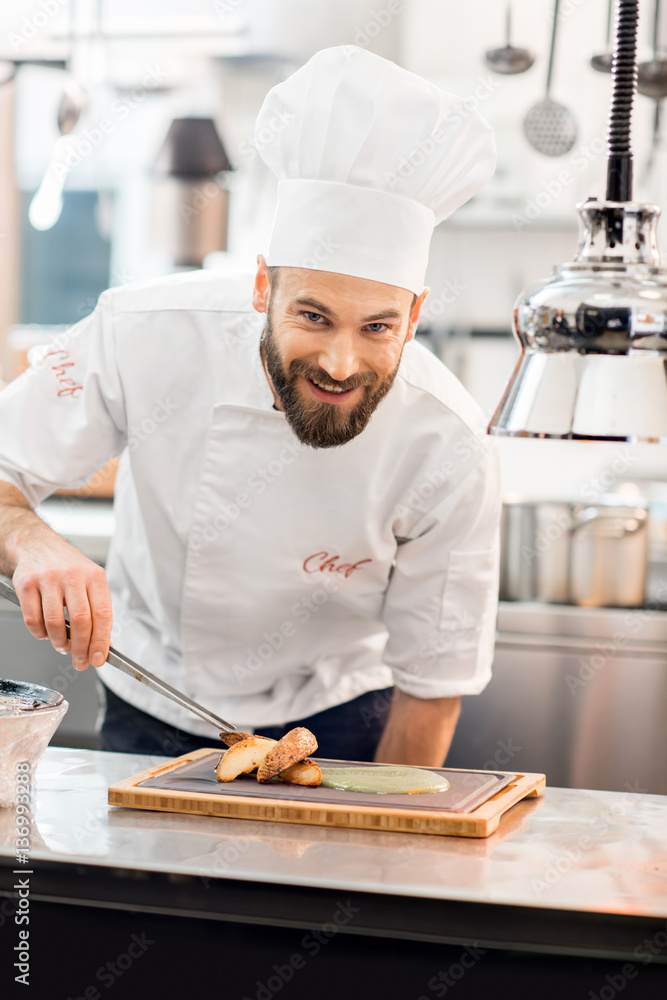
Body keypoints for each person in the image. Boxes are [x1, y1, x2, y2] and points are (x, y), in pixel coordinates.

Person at [0, 46, 500, 764]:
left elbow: (434, 684)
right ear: (262, 287)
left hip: (342, 721)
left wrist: (379, 852)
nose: (339, 363)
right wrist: (31, 541)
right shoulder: (142, 333)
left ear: (416, 313)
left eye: (378, 327)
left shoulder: (447, 442)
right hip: (150, 705)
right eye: (314, 316)